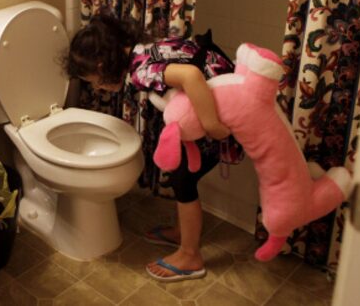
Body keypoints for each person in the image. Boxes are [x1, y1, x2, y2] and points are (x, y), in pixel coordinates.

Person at [64, 15, 233, 282]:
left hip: (221, 109)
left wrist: (211, 124)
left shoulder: (141, 70)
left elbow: (191, 75)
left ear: (102, 65)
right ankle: (182, 232)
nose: (97, 87)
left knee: (184, 178)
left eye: (94, 80)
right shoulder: (141, 48)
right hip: (218, 97)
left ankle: (190, 255)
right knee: (182, 176)